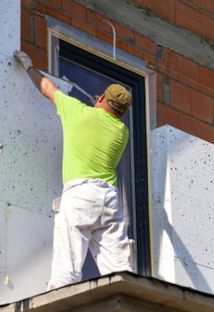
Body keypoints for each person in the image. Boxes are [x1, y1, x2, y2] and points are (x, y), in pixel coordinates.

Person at [13, 50, 133, 290]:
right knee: (119, 270)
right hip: (109, 200)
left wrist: (28, 66)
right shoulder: (123, 132)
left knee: (66, 270)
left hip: (81, 195)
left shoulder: (78, 113)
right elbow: (103, 123)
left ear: (101, 99)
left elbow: (47, 88)